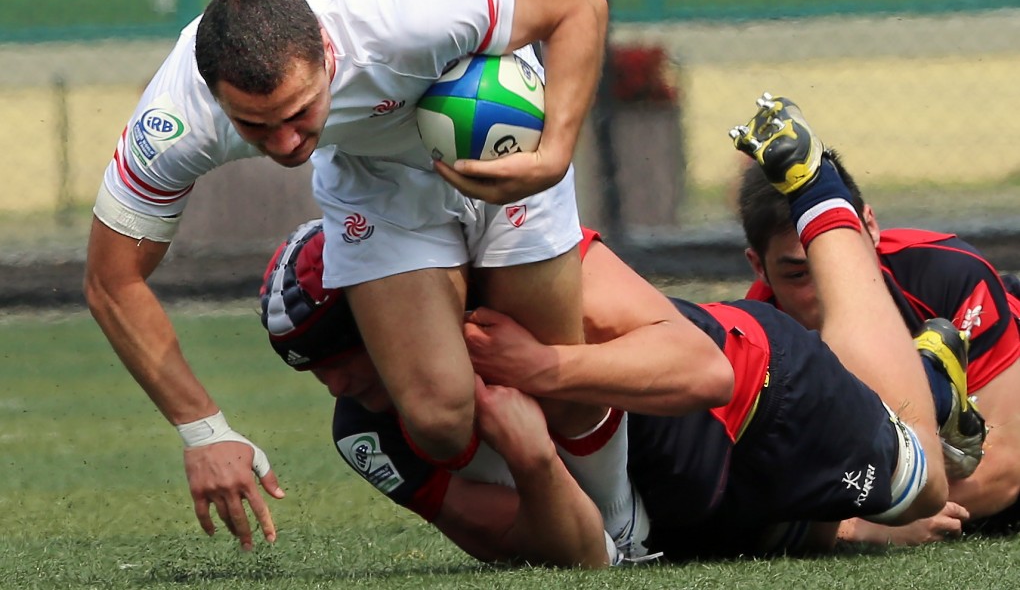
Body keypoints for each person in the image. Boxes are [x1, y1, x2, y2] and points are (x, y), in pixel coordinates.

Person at [82, 0, 645, 553]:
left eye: (299, 112)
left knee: (562, 385)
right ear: (215, 97)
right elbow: (112, 281)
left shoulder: (407, 13)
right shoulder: (177, 117)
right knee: (437, 418)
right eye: (255, 126)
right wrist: (204, 431)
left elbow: (579, 3)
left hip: (503, 146)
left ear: (328, 54)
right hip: (373, 176)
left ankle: (623, 522)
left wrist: (554, 155)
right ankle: (579, 531)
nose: (286, 144)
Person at [259, 171, 967, 566]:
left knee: (922, 488)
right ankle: (824, 520)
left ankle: (830, 210)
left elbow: (706, 373)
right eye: (314, 372)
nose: (337, 386)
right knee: (780, 538)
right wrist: (534, 461)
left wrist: (541, 366)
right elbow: (571, 556)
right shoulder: (367, 435)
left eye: (345, 357)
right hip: (676, 512)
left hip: (759, 398)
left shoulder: (519, 275)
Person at [737, 113, 1020, 539]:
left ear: (869, 227)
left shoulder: (948, 275)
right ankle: (934, 396)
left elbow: (1005, 470)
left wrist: (883, 517)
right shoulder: (756, 335)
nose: (823, 290)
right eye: (797, 274)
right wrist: (870, 526)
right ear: (758, 267)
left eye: (839, 255)